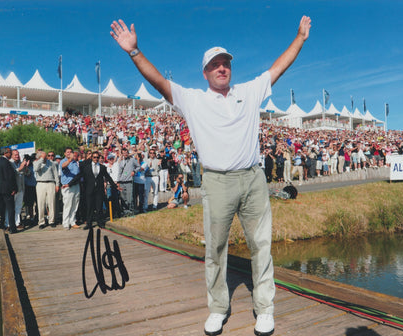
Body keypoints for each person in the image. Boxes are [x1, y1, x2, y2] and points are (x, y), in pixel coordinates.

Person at [111, 15, 311, 336]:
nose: (222, 68)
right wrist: (134, 52)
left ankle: (265, 308)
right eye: (215, 65)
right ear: (205, 72)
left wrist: (300, 38)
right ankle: (218, 308)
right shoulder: (193, 99)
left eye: (226, 63)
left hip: (253, 178)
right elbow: (159, 81)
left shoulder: (249, 91)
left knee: (261, 246)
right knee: (215, 250)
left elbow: (278, 67)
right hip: (217, 181)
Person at [69, 151, 120, 229]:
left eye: (97, 157)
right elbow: (79, 176)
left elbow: (108, 177)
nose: (96, 159)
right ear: (91, 158)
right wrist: (69, 184)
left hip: (99, 190)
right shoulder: (87, 167)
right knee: (89, 207)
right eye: (94, 157)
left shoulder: (102, 167)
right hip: (89, 189)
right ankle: (89, 223)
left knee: (99, 207)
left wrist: (115, 186)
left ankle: (100, 222)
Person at [0, 147, 18, 234]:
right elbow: (9, 177)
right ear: (6, 153)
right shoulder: (7, 163)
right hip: (7, 190)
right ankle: (12, 228)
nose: (10, 154)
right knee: (10, 209)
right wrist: (14, 188)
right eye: (10, 152)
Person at [33, 149, 60, 228]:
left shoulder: (51, 163)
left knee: (51, 203)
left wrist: (57, 184)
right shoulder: (36, 163)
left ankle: (51, 220)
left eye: (46, 156)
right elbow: (36, 169)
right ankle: (41, 222)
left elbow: (56, 174)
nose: (46, 158)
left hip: (51, 183)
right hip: (40, 183)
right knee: (41, 203)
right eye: (44, 156)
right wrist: (41, 159)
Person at [60, 147, 81, 230]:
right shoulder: (63, 161)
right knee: (67, 205)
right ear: (65, 154)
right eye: (67, 152)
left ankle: (72, 221)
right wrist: (69, 160)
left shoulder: (75, 162)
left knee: (75, 204)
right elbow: (63, 166)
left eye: (70, 152)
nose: (69, 153)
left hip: (75, 185)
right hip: (67, 186)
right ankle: (65, 223)